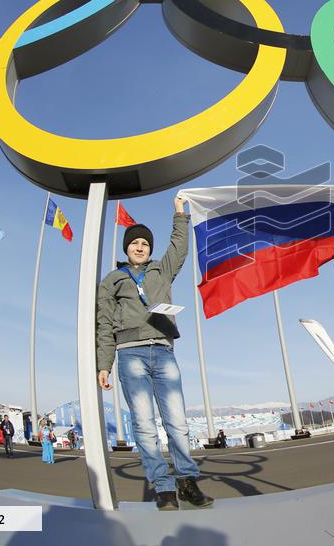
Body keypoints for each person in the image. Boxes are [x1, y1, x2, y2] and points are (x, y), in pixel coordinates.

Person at [96, 195, 213, 511]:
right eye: (134, 243)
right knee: (145, 424)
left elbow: (180, 247)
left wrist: (180, 214)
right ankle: (163, 489)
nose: (139, 247)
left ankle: (187, 482)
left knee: (178, 422)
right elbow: (104, 324)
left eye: (144, 244)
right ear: (126, 248)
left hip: (163, 351)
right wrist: (104, 364)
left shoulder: (162, 270)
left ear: (149, 248)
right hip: (130, 354)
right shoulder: (112, 281)